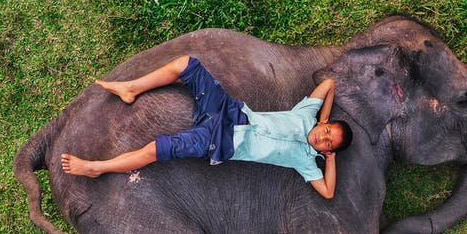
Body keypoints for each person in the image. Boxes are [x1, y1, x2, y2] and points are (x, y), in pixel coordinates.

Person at [61, 55, 353, 199]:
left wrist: (331, 160)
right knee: (187, 64)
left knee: (156, 149)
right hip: (229, 110)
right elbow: (329, 85)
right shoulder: (306, 116)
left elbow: (328, 191)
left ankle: (97, 167)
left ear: (326, 150)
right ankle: (131, 88)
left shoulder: (306, 162)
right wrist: (324, 118)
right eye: (327, 132)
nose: (323, 137)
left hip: (220, 141)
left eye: (328, 143)